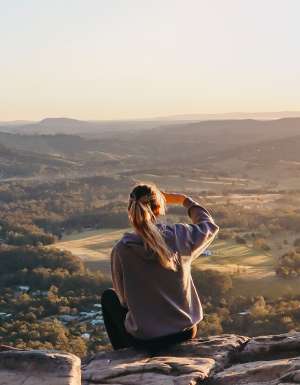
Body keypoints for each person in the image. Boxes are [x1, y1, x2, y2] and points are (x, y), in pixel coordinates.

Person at [101, 183, 219, 351]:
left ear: (131, 211)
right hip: (184, 331)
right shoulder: (179, 236)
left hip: (146, 340)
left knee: (109, 297)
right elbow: (208, 226)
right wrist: (185, 201)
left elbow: (123, 300)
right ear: (159, 209)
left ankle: (124, 356)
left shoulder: (121, 250)